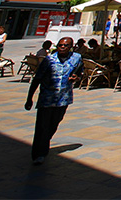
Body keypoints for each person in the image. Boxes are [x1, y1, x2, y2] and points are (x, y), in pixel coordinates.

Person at [24, 36, 83, 165]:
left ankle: (44, 142)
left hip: (63, 98)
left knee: (54, 123)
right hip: (47, 98)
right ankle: (38, 153)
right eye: (60, 45)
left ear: (70, 47)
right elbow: (37, 79)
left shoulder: (76, 58)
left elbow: (80, 72)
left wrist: (76, 77)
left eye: (65, 46)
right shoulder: (49, 60)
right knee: (41, 126)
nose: (61, 48)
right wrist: (29, 98)